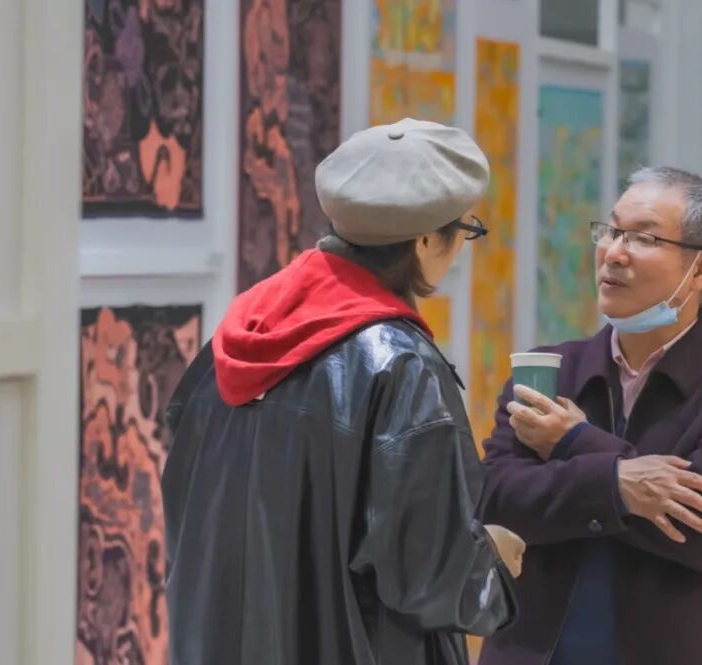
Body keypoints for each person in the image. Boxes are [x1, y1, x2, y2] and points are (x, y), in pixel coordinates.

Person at [161, 118, 522, 665]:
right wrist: (492, 560)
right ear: (427, 239)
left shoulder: (230, 344)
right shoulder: (402, 366)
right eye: (464, 233)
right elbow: (428, 576)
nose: (458, 251)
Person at [477, 166, 702, 665]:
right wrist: (619, 483)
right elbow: (495, 498)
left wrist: (575, 443)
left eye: (643, 238)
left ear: (700, 268)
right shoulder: (549, 370)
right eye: (610, 231)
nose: (613, 252)